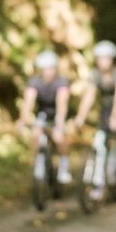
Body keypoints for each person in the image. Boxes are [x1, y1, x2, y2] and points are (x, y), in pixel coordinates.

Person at [74, 40, 116, 200]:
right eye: (99, 58)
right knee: (100, 142)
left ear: (112, 59)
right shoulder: (95, 75)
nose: (102, 62)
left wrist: (115, 116)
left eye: (105, 58)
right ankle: (99, 183)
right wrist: (80, 117)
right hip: (105, 110)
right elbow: (89, 97)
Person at [16, 50, 73, 184]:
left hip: (58, 115)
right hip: (42, 114)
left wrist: (59, 123)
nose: (48, 71)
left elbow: (62, 103)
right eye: (45, 69)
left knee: (59, 138)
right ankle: (38, 163)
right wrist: (23, 119)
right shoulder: (35, 82)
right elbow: (28, 102)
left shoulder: (61, 82)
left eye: (51, 68)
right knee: (35, 134)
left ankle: (64, 167)